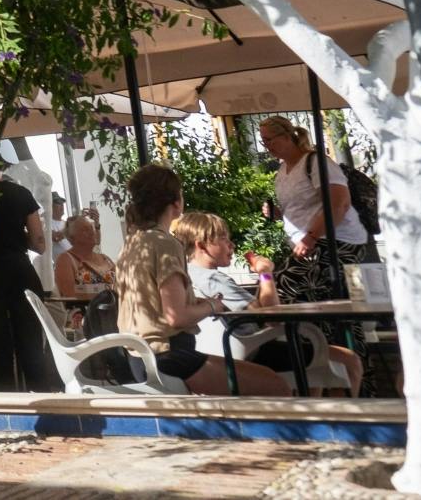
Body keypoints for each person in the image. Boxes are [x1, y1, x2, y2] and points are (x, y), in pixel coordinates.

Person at [114, 164, 290, 396]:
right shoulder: (164, 243)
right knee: (276, 386)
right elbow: (176, 317)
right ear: (176, 203)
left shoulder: (132, 243)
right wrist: (212, 305)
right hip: (167, 356)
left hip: (138, 356)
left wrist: (195, 301)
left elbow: (156, 305)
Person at [172, 210, 362, 395]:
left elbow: (259, 310)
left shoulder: (186, 275)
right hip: (250, 354)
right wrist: (266, 273)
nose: (232, 245)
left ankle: (311, 418)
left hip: (224, 352)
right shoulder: (213, 279)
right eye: (223, 238)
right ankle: (338, 422)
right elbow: (271, 317)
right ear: (202, 246)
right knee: (347, 360)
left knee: (315, 368)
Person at [258, 117, 375, 304]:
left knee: (279, 288)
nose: (267, 146)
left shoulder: (315, 162)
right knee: (320, 302)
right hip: (310, 242)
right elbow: (303, 208)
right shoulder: (282, 171)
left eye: (269, 140)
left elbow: (339, 204)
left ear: (287, 136)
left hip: (335, 240)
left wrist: (310, 237)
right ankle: (330, 332)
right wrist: (279, 214)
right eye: (264, 141)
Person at [0, 163, 56, 391]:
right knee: (31, 342)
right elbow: (39, 243)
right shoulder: (21, 194)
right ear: (1, 167)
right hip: (20, 272)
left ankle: (4, 402)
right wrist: (18, 238)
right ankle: (41, 397)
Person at [53, 212, 116, 301]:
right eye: (85, 230)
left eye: (91, 228)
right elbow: (69, 296)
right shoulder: (66, 260)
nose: (91, 232)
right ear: (71, 238)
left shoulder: (105, 258)